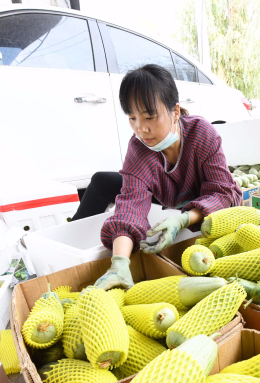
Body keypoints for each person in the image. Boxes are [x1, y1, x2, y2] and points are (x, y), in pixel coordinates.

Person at [92, 64, 242, 290]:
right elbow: (132, 203)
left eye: (149, 117)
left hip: (217, 217)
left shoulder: (202, 133)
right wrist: (119, 263)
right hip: (172, 208)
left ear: (175, 111)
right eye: (132, 118)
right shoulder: (139, 149)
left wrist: (183, 219)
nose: (140, 128)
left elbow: (222, 192)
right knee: (102, 182)